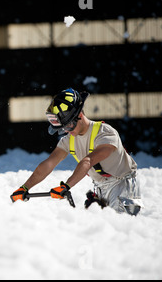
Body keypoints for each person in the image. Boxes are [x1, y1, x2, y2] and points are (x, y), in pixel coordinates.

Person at [10, 88, 143, 216]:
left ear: (80, 115)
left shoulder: (105, 133)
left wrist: (66, 186)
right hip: (101, 188)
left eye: (69, 125)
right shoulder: (69, 140)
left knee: (120, 227)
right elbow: (48, 164)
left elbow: (88, 161)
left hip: (123, 186)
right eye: (63, 128)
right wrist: (25, 187)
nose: (67, 131)